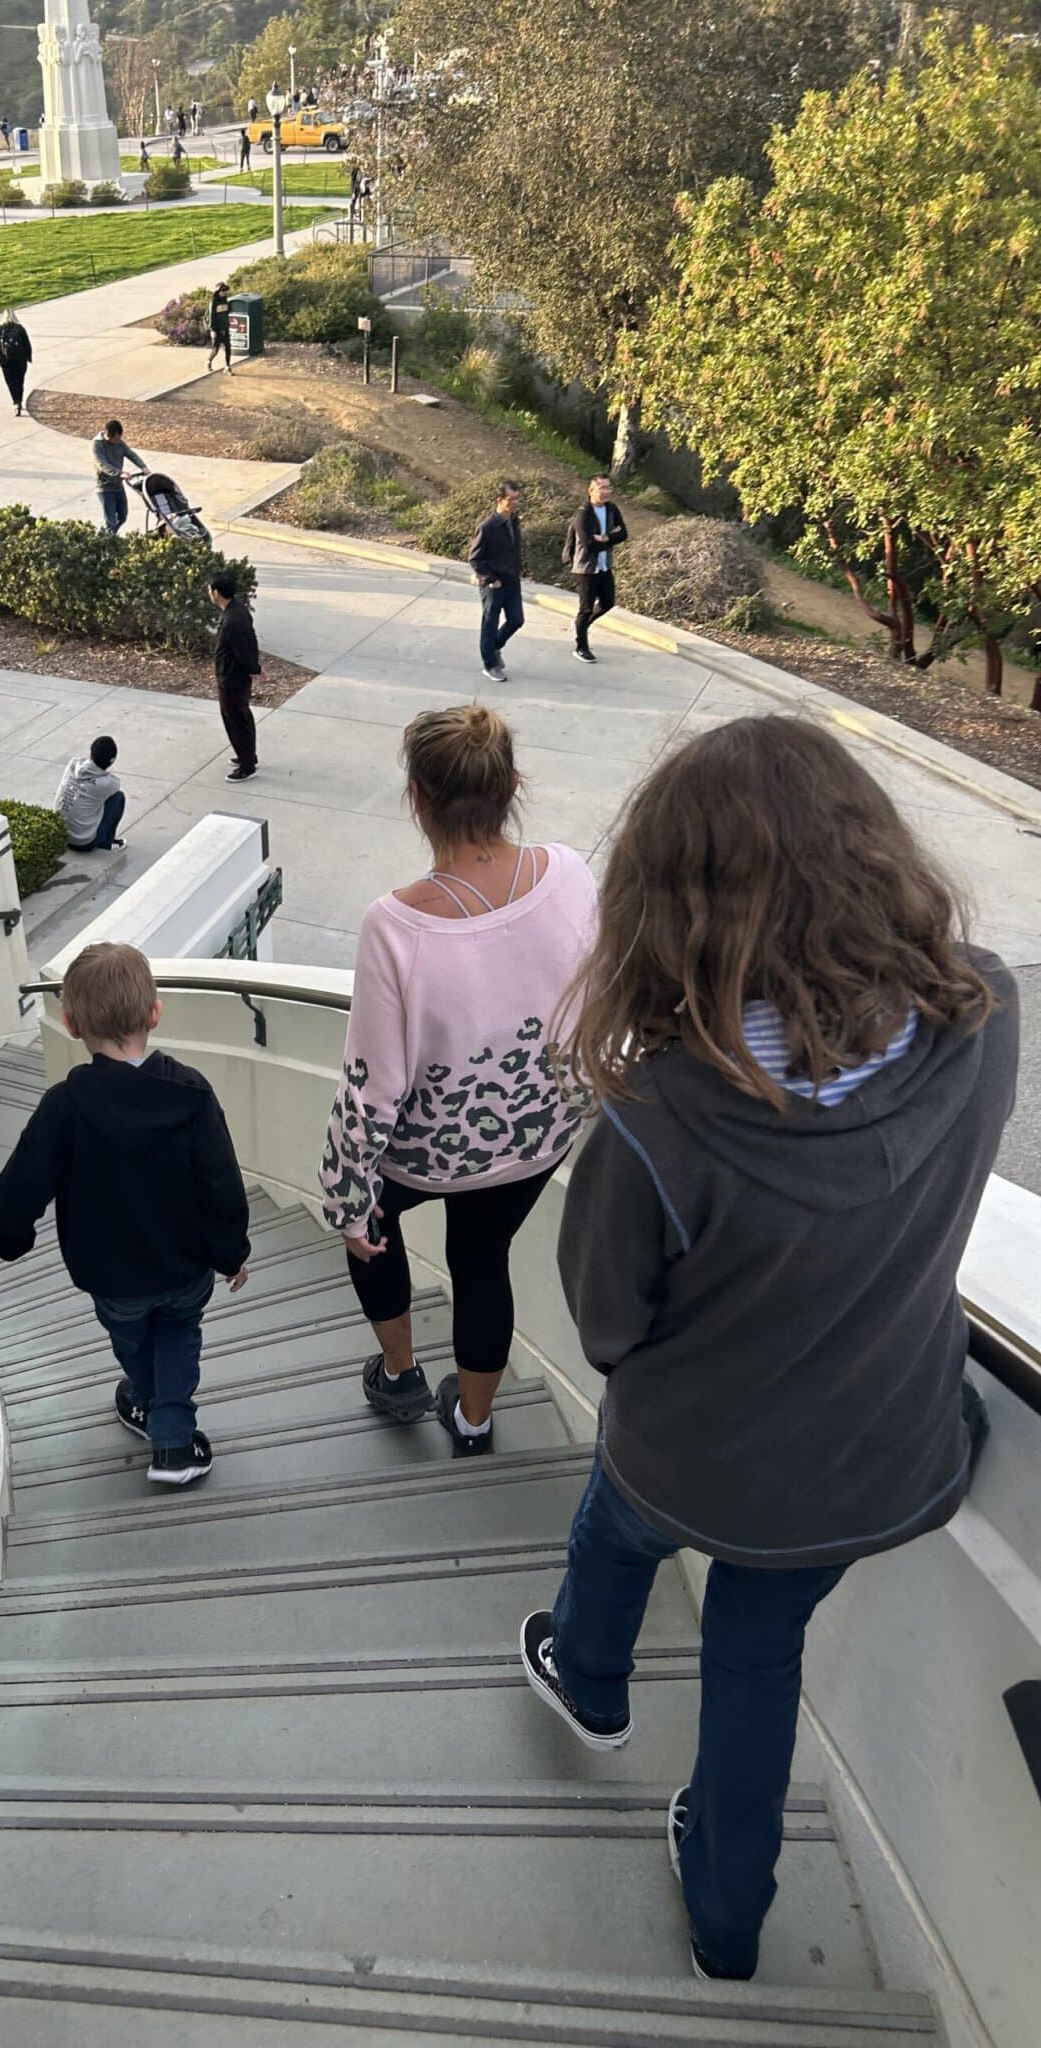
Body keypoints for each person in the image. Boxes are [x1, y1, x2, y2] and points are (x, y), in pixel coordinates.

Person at [519, 716, 1017, 1981]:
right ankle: (729, 1918)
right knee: (758, 1651)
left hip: (688, 1454)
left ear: (667, 907)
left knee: (612, 1525)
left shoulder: (658, 1121)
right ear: (871, 856)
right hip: (873, 1457)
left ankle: (588, 1678)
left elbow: (606, 1326)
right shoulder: (988, 1009)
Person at [320, 705, 597, 1454]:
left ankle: (400, 1373)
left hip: (428, 1151)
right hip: (538, 1136)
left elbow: (373, 1086)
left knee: (371, 1222)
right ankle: (473, 1421)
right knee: (482, 1259)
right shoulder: (569, 873)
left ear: (417, 796)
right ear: (512, 785)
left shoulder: (397, 925)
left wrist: (347, 1197)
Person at [0, 943, 251, 1487]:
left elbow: (21, 1187)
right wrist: (231, 1254)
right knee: (178, 1333)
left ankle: (149, 1401)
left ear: (71, 1023)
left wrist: (8, 1234)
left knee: (131, 1340)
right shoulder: (191, 1094)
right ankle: (173, 1439)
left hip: (111, 1278)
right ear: (155, 1012)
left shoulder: (63, 1108)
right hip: (184, 1270)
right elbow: (220, 1183)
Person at [562, 474, 628, 664]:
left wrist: (604, 538)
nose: (607, 492)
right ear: (591, 490)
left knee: (608, 602)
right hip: (585, 568)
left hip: (604, 566)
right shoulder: (583, 513)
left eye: (609, 488)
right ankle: (581, 646)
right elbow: (588, 544)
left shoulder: (611, 509)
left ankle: (581, 626)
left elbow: (623, 534)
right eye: (602, 488)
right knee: (585, 608)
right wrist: (608, 538)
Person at [468, 480, 524, 683]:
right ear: (499, 500)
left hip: (512, 581)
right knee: (490, 623)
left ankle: (494, 646)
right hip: (494, 585)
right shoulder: (488, 527)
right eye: (511, 499)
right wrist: (490, 579)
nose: (516, 503)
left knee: (517, 619)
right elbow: (474, 558)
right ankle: (490, 664)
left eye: (518, 498)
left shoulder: (514, 521)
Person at [209, 570, 262, 782]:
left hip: (232, 679)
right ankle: (247, 756)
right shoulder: (238, 611)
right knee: (241, 717)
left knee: (235, 720)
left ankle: (247, 766)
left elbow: (242, 649)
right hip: (235, 677)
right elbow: (250, 642)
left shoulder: (232, 620)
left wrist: (254, 668)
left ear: (216, 592)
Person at [54, 736, 127, 852]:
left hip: (60, 833)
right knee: (118, 798)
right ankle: (107, 843)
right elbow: (114, 784)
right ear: (112, 761)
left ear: (91, 753)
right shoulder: (108, 784)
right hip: (83, 842)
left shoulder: (73, 763)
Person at [93, 418, 144, 533]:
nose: (118, 441)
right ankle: (109, 542)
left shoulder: (119, 443)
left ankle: (107, 537)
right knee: (111, 521)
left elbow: (131, 454)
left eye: (119, 438)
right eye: (116, 439)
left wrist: (143, 467)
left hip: (118, 486)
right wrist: (120, 473)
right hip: (105, 488)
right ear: (108, 435)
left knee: (123, 516)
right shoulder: (97, 444)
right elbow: (102, 465)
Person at [0, 309, 33, 415]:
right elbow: (27, 344)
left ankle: (15, 402)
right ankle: (19, 401)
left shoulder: (0, 329)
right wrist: (28, 357)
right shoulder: (20, 329)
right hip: (20, 360)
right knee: (20, 382)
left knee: (11, 383)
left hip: (6, 362)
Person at [206, 282, 235, 375]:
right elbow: (211, 317)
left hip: (225, 328)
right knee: (216, 349)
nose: (224, 292)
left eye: (225, 290)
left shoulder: (225, 300)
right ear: (217, 291)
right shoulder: (213, 302)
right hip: (217, 329)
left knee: (228, 348)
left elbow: (226, 313)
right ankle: (209, 361)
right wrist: (212, 330)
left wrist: (227, 324)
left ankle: (227, 367)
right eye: (222, 290)